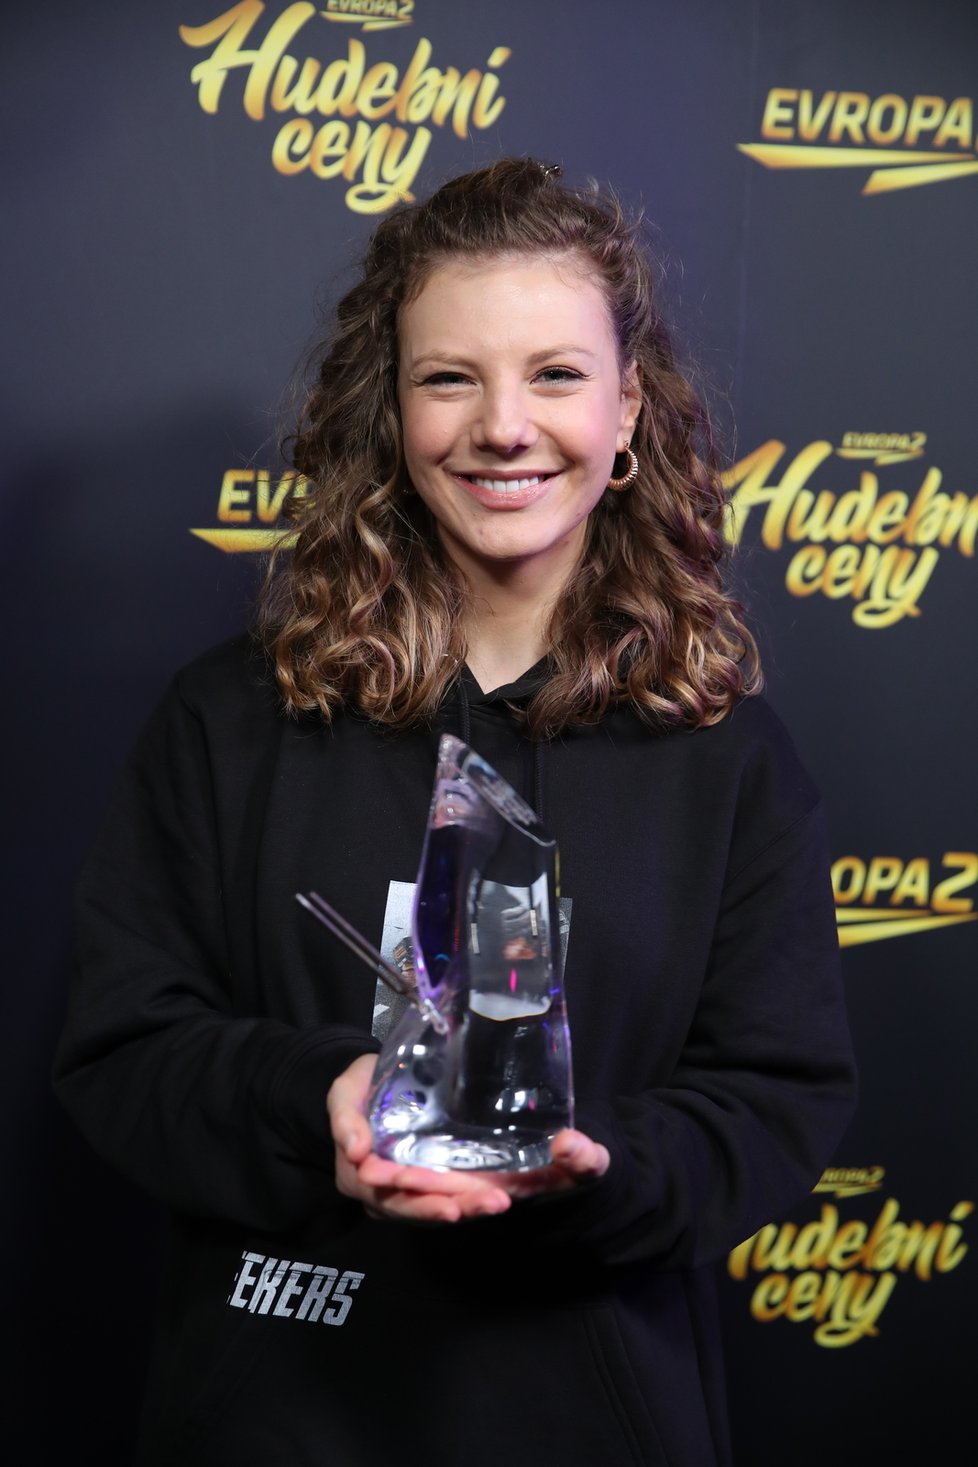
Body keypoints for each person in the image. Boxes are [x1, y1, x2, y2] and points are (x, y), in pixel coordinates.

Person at [54, 158, 856, 1466]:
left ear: (626, 413)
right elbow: (122, 1053)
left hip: (594, 1416)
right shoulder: (230, 721)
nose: (502, 426)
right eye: (449, 377)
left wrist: (590, 1167)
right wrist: (320, 1098)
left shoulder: (728, 759)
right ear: (391, 410)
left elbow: (773, 1099)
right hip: (275, 1414)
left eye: (552, 374)